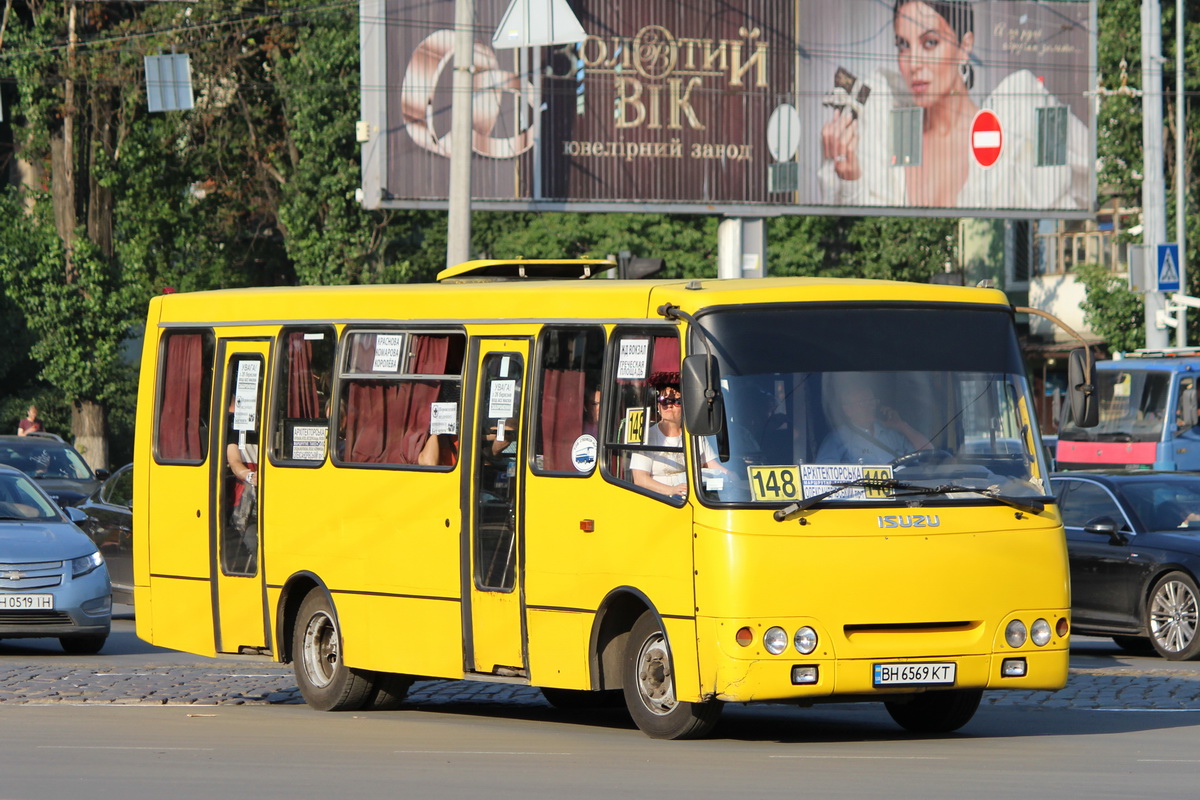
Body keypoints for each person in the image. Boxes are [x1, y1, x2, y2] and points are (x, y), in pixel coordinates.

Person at [819, 0, 1088, 209]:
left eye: (930, 43)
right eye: (903, 45)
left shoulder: (1014, 130)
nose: (913, 64)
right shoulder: (883, 136)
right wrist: (850, 178)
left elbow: (1087, 179)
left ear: (964, 46)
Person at [630, 382, 724, 499]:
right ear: (658, 406)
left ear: (685, 407)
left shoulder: (695, 435)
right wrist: (672, 490)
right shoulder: (646, 437)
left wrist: (733, 476)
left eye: (676, 402)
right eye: (665, 401)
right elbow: (640, 479)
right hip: (661, 501)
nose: (669, 405)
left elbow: (713, 466)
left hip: (696, 498)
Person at [817, 380, 930, 464]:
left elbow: (929, 454)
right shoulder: (837, 439)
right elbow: (825, 475)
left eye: (872, 401)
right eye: (863, 403)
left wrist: (902, 426)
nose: (870, 407)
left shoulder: (893, 435)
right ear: (847, 410)